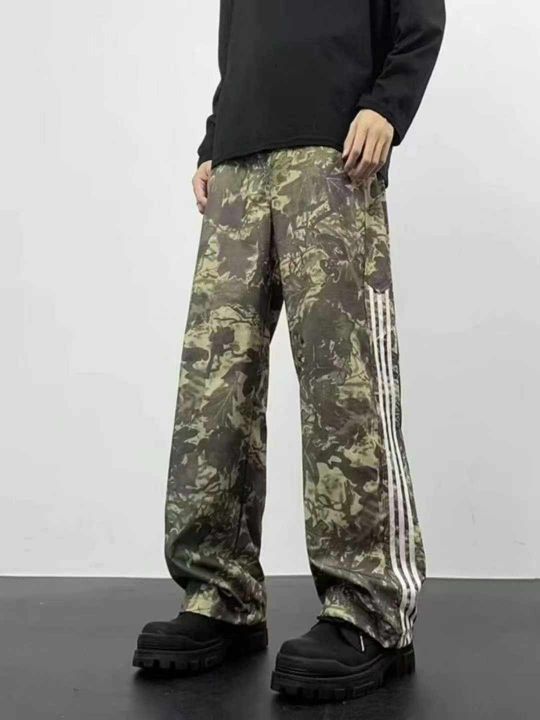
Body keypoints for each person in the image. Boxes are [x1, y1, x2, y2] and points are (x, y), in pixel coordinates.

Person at [133, 0, 445, 702]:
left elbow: (421, 16)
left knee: (345, 383)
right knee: (215, 387)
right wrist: (215, 139)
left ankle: (370, 609)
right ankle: (221, 594)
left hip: (333, 155)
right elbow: (239, 44)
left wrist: (388, 104)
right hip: (239, 164)